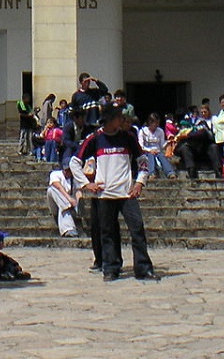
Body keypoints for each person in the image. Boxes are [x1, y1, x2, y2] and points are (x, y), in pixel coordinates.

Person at [71, 105, 157, 281]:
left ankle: (143, 267)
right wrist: (87, 184)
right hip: (105, 194)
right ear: (110, 119)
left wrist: (140, 182)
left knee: (137, 229)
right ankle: (111, 267)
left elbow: (143, 161)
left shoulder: (128, 137)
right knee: (108, 232)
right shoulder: (95, 139)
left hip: (126, 193)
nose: (123, 120)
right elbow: (74, 162)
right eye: (119, 117)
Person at [138, 113, 176, 180]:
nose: (156, 125)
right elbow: (141, 146)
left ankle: (170, 173)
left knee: (161, 156)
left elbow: (161, 145)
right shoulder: (142, 131)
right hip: (146, 151)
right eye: (155, 123)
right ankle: (151, 173)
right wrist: (150, 150)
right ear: (150, 122)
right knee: (150, 155)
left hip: (158, 151)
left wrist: (168, 143)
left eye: (157, 123)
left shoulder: (160, 131)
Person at [47, 164, 80, 237]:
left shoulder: (74, 179)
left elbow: (78, 192)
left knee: (63, 206)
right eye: (66, 170)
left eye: (69, 170)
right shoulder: (55, 174)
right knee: (52, 189)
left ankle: (68, 229)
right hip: (55, 203)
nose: (67, 171)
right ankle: (69, 228)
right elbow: (57, 186)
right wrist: (69, 199)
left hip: (68, 206)